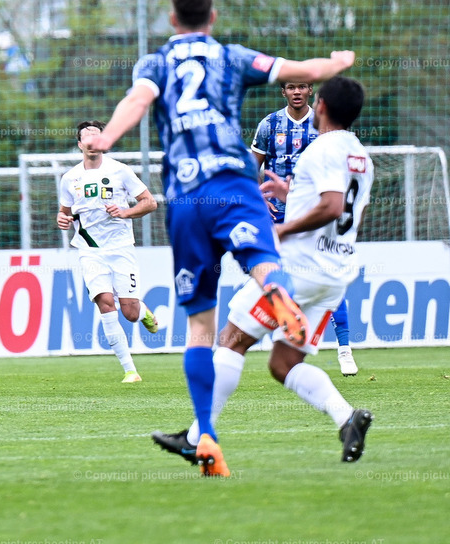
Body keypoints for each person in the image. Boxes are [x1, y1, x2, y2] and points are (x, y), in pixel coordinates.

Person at [86, 0, 357, 476]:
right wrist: (335, 64)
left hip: (188, 196)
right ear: (212, 17)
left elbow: (137, 102)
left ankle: (206, 438)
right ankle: (279, 297)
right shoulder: (231, 57)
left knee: (200, 327)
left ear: (173, 19)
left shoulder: (155, 63)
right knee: (263, 262)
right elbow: (299, 71)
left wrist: (107, 137)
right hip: (233, 182)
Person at [152, 76, 374, 467]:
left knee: (231, 340)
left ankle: (197, 438)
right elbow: (349, 210)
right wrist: (295, 196)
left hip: (298, 270)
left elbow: (332, 206)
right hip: (334, 274)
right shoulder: (360, 155)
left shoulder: (321, 148)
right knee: (283, 364)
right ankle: (347, 419)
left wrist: (283, 228)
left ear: (321, 105)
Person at [252, 81, 358, 376]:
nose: (296, 92)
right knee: (271, 273)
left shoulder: (324, 128)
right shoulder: (269, 125)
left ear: (311, 91)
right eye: (290, 87)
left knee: (325, 272)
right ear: (283, 92)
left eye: (302, 87)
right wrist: (259, 201)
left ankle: (344, 348)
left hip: (314, 216)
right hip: (278, 215)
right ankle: (279, 332)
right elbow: (251, 168)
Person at [57, 120, 159, 383]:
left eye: (96, 135)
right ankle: (130, 371)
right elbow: (65, 213)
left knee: (130, 313)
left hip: (121, 248)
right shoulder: (70, 178)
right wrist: (62, 219)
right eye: (87, 136)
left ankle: (143, 311)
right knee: (105, 301)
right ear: (80, 144)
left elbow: (150, 203)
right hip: (89, 249)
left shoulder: (120, 171)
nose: (92, 140)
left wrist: (125, 212)